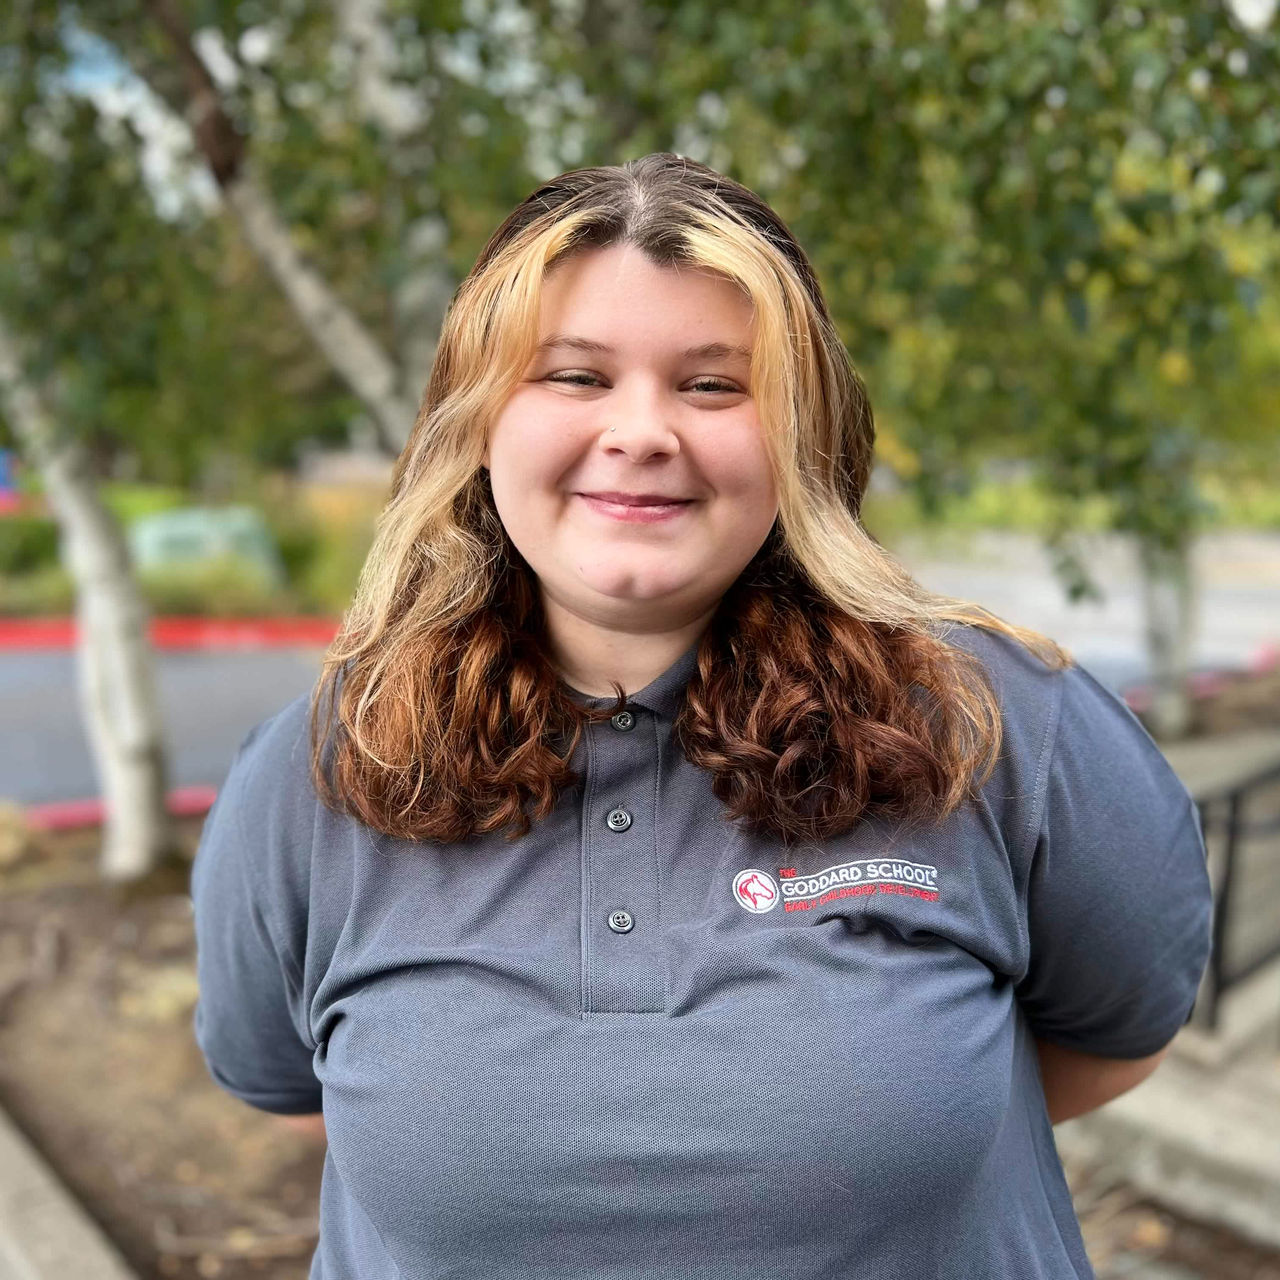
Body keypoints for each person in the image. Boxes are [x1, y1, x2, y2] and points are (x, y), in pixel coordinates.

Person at [189, 152, 1213, 1280]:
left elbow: (1117, 1036)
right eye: (574, 375)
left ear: (800, 432)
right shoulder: (323, 769)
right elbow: (302, 1095)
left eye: (714, 386)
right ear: (476, 420)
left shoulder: (998, 725)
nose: (641, 432)